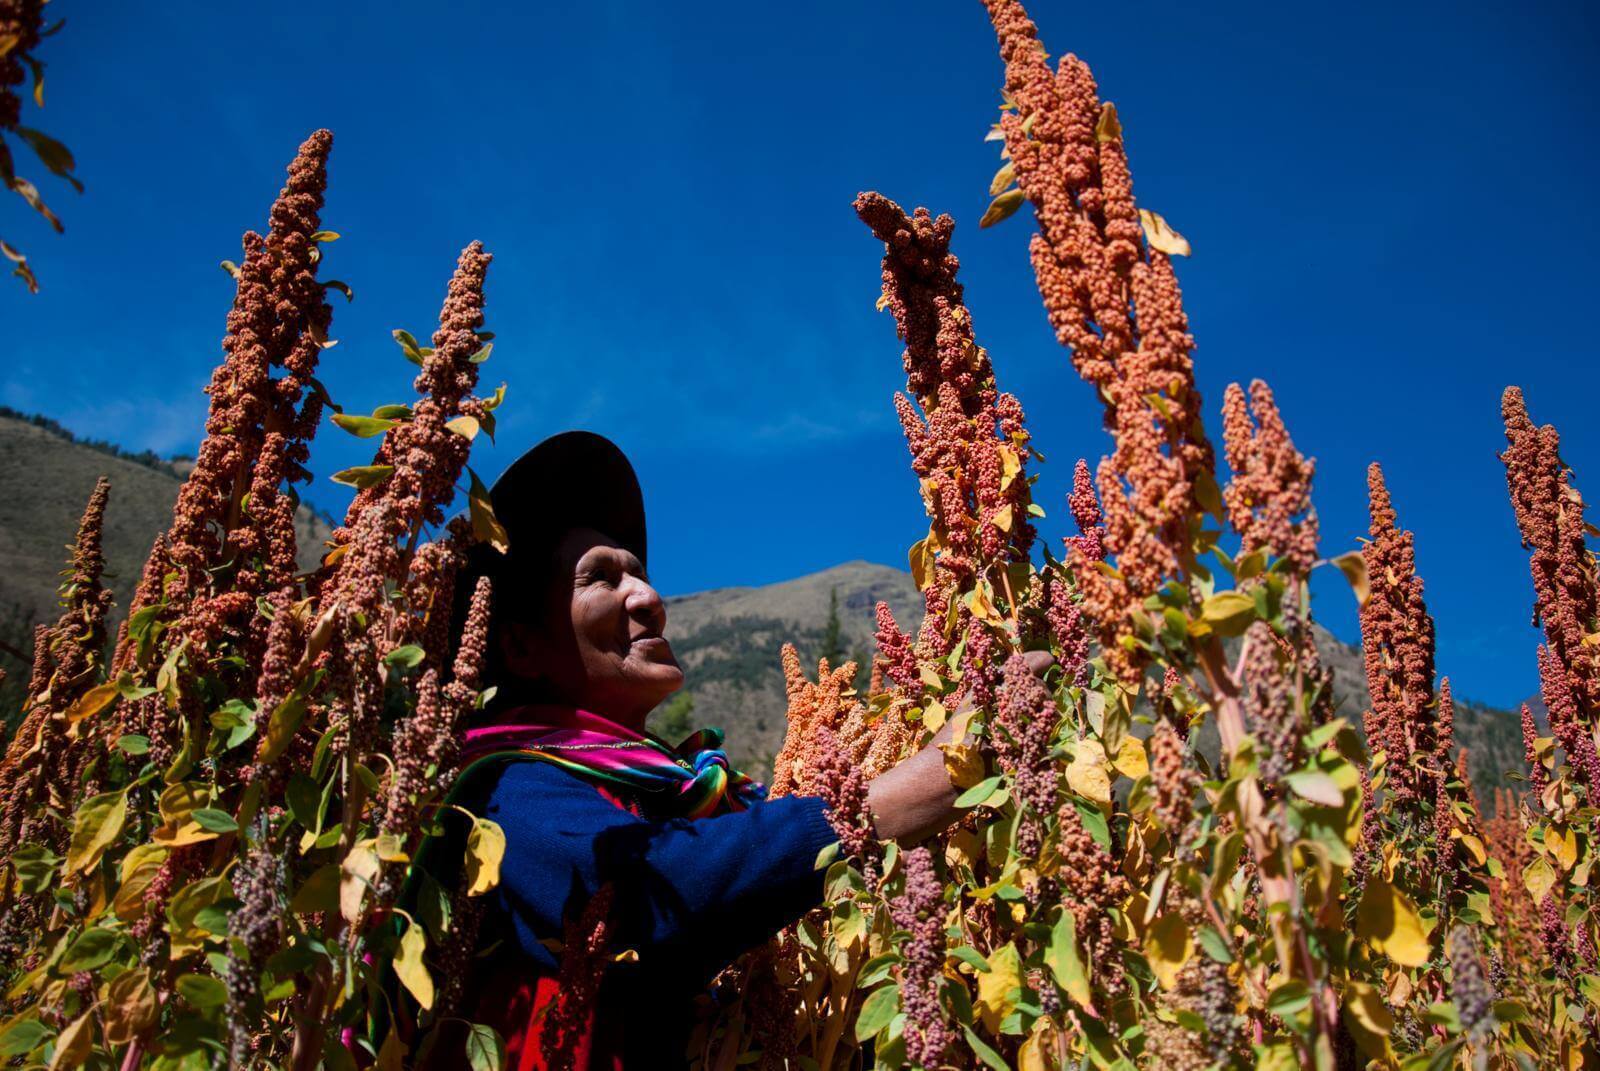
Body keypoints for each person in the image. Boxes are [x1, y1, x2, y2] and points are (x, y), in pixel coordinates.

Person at [421, 431, 1046, 1070]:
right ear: (520, 645)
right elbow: (655, 890)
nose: (649, 599)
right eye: (601, 579)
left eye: (639, 572)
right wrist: (929, 780)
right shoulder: (494, 790)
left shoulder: (690, 791)